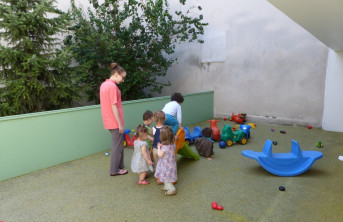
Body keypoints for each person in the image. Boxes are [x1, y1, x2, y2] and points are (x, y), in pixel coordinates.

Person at [100, 62, 128, 176]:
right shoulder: (112, 86)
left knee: (119, 144)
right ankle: (114, 170)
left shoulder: (104, 84)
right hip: (114, 122)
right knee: (117, 147)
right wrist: (120, 124)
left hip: (108, 120)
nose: (123, 80)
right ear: (116, 74)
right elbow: (114, 106)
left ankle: (120, 166)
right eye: (122, 77)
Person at [155, 126, 178, 196]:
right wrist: (162, 145)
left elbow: (160, 155)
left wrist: (159, 147)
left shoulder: (164, 148)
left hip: (166, 166)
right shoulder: (173, 144)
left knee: (167, 178)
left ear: (163, 138)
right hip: (171, 165)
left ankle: (172, 189)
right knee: (167, 177)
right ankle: (166, 186)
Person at [152, 111, 166, 185]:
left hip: (155, 148)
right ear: (164, 119)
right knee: (163, 163)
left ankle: (157, 175)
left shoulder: (153, 128)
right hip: (163, 149)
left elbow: (153, 135)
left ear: (154, 119)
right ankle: (161, 176)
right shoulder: (165, 129)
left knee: (156, 162)